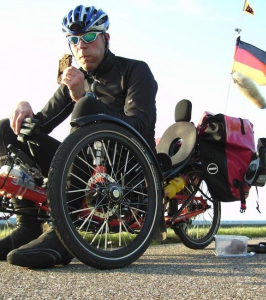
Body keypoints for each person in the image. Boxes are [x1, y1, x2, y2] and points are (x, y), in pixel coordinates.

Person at [0, 5, 160, 268]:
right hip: (82, 162)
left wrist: (86, 98)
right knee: (7, 128)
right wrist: (23, 109)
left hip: (127, 167)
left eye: (88, 37)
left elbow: (140, 128)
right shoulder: (76, 78)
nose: (81, 46)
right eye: (73, 40)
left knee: (86, 108)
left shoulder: (135, 71)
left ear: (106, 39)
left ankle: (63, 235)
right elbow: (41, 123)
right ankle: (28, 227)